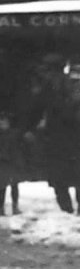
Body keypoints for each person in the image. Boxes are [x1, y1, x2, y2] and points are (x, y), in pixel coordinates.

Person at [35, 54, 80, 213]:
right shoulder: (73, 85)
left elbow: (40, 106)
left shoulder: (49, 86)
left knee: (60, 177)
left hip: (58, 137)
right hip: (73, 136)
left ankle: (66, 210)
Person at [0, 111, 31, 216]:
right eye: (1, 122)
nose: (3, 124)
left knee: (14, 186)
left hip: (12, 163)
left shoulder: (13, 134)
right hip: (2, 163)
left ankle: (14, 207)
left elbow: (19, 147)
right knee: (2, 188)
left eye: (5, 122)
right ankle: (1, 208)